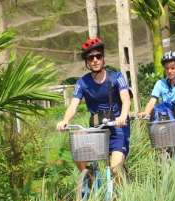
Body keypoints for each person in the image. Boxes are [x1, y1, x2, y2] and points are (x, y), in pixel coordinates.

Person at [56, 37, 132, 176]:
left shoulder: (116, 77)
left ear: (103, 58)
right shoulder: (82, 82)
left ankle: (122, 196)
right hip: (98, 127)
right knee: (78, 150)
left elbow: (126, 99)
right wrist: (65, 120)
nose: (95, 60)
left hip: (118, 127)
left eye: (98, 56)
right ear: (87, 62)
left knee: (115, 169)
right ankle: (89, 180)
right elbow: (73, 105)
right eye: (91, 58)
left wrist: (122, 116)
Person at [140, 51, 175, 158]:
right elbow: (152, 100)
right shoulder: (160, 84)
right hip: (169, 122)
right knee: (164, 154)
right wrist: (146, 112)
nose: (169, 71)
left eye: (172, 68)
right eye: (167, 68)